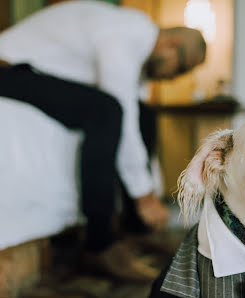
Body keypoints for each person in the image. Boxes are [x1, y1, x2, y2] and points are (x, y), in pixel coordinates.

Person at [0, 0, 206, 281]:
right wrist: (143, 195)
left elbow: (135, 113)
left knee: (144, 114)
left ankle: (133, 230)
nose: (173, 78)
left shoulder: (134, 41)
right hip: (7, 67)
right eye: (180, 68)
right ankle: (99, 243)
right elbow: (120, 106)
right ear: (169, 44)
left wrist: (141, 192)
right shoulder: (126, 32)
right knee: (105, 112)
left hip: (34, 72)